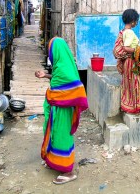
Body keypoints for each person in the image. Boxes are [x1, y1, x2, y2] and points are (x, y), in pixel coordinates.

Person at [35, 37, 88, 184]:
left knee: (62, 136)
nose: (50, 54)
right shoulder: (61, 66)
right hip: (55, 109)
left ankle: (68, 171)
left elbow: (75, 88)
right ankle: (54, 160)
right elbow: (58, 79)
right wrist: (45, 75)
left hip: (63, 111)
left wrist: (55, 95)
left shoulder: (65, 69)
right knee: (53, 134)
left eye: (50, 51)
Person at [113, 9, 140, 114]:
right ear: (133, 21)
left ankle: (130, 104)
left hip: (128, 62)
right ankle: (135, 106)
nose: (136, 23)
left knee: (130, 82)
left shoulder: (123, 31)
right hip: (132, 62)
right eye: (136, 21)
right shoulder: (129, 32)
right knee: (136, 82)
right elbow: (126, 47)